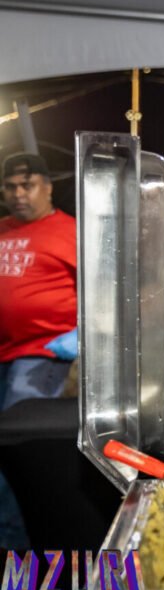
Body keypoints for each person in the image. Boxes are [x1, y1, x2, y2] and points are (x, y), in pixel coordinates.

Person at [0, 152, 77, 411]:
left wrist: (84, 333)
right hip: (3, 348)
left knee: (19, 419)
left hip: (42, 350)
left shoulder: (73, 232)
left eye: (27, 185)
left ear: (47, 187)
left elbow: (104, 289)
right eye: (10, 187)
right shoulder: (2, 229)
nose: (18, 194)